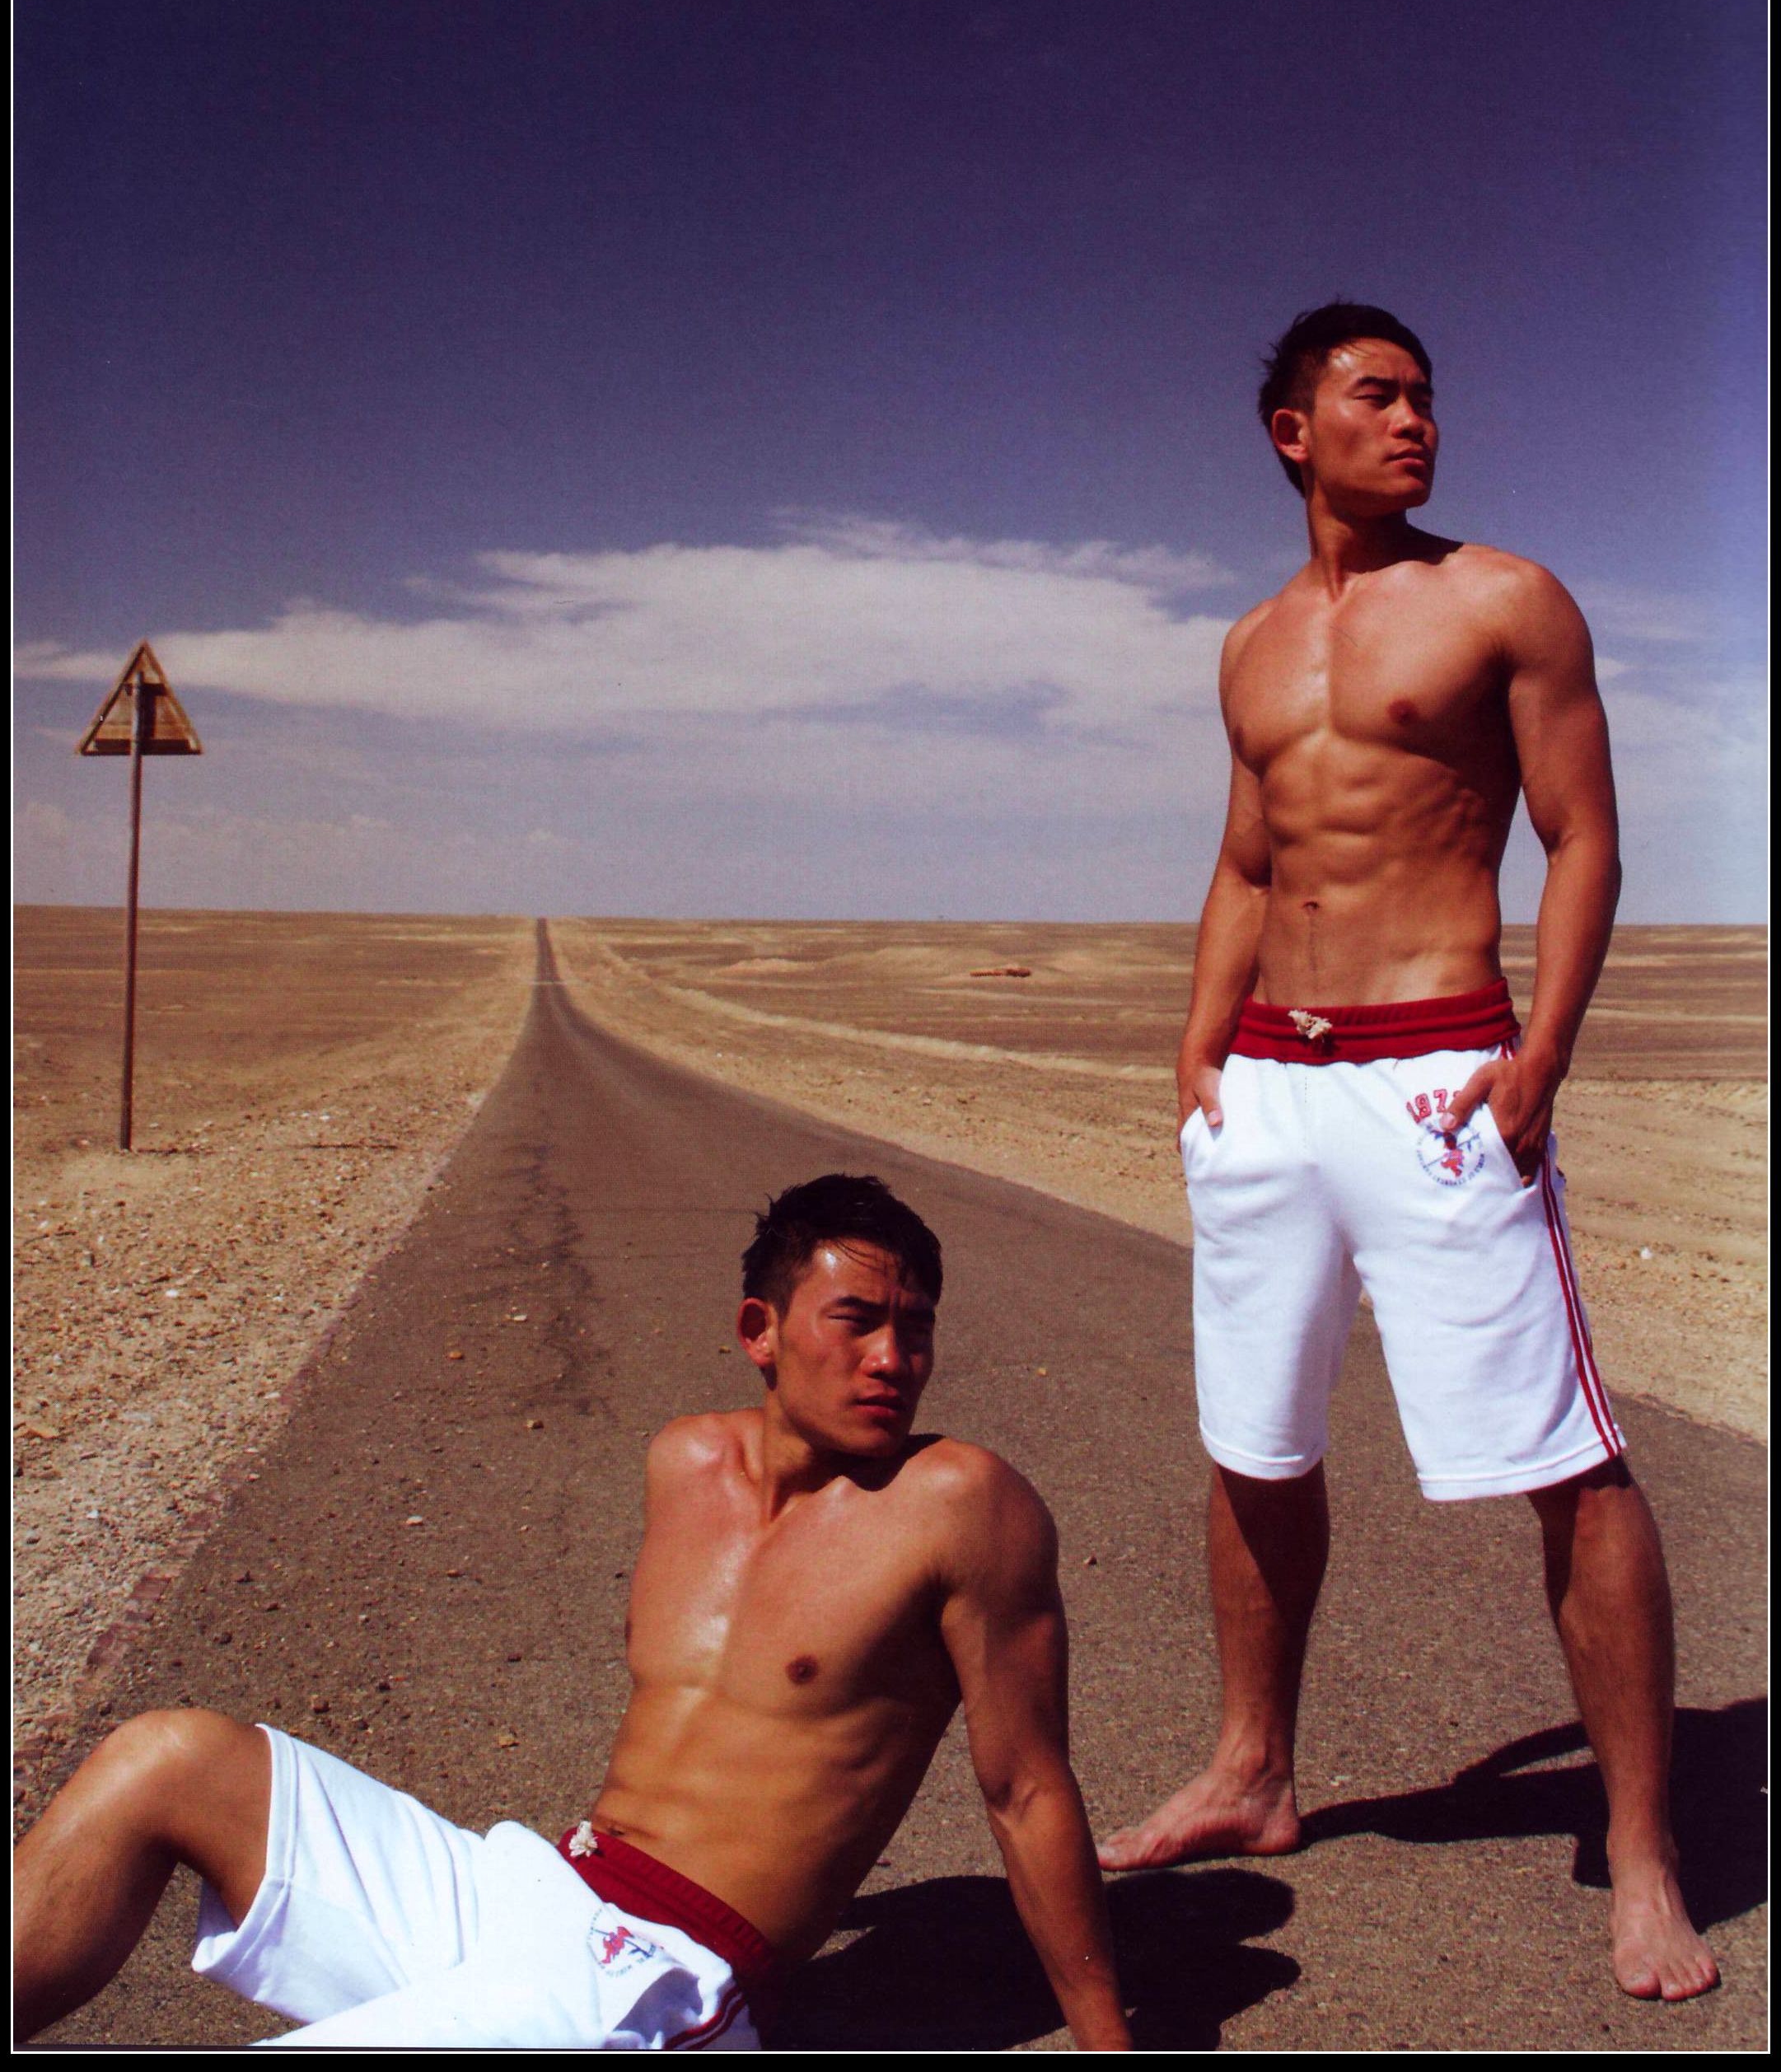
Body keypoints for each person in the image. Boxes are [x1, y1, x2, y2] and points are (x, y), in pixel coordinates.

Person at [1096, 303, 1718, 2006]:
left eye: (1425, 396)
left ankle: (1643, 1847)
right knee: (1255, 1441)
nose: (1415, 419)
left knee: (1563, 1455)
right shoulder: (1248, 644)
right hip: (1269, 1091)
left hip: (1440, 1078)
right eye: (1375, 395)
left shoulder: (1503, 600)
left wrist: (1540, 1055)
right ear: (1291, 431)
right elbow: (1248, 857)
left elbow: (1581, 836)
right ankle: (1251, 1769)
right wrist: (1197, 1044)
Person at [15, 1172, 1129, 2051]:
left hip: (664, 1975)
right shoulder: (685, 1460)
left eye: (915, 1326)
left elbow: (1026, 1789)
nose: (894, 1358)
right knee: (166, 1758)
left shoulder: (961, 1504)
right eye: (857, 1320)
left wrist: (1107, 2043)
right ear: (761, 1329)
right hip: (535, 1887)